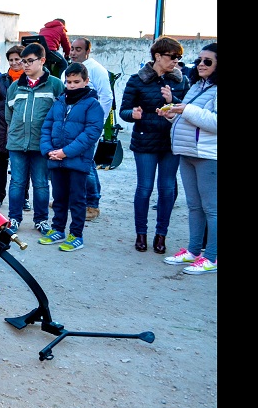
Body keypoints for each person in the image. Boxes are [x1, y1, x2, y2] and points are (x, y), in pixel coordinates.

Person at [119, 36, 189, 254]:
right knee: (144, 188)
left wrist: (172, 100)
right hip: (145, 140)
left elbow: (189, 110)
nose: (176, 61)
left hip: (171, 141)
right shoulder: (137, 80)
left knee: (167, 189)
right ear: (158, 56)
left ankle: (161, 235)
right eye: (172, 56)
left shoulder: (181, 81)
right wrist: (133, 114)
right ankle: (141, 234)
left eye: (179, 57)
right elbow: (124, 111)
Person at [159, 43, 217, 275]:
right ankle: (194, 251)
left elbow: (214, 122)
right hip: (188, 152)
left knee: (211, 208)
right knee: (194, 206)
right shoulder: (197, 86)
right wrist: (171, 114)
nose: (201, 64)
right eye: (199, 60)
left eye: (208, 61)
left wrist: (185, 110)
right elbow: (190, 118)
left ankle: (211, 256)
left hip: (208, 155)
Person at [38, 62, 105, 252]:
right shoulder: (59, 102)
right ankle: (58, 229)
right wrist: (48, 150)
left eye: (76, 82)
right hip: (56, 159)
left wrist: (65, 152)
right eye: (69, 82)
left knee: (77, 199)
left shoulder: (93, 105)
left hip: (77, 161)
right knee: (59, 197)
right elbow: (46, 127)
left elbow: (91, 134)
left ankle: (76, 235)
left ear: (86, 81)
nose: (72, 85)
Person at [4, 42, 64, 234]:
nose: (25, 65)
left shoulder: (55, 85)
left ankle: (41, 220)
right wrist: (16, 132)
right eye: (23, 61)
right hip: (17, 143)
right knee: (17, 183)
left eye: (30, 61)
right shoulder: (15, 87)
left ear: (42, 60)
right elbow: (9, 114)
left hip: (42, 144)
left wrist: (52, 140)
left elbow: (61, 114)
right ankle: (14, 218)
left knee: (40, 184)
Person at [67, 38, 114, 221]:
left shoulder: (96, 70)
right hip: (70, 127)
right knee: (70, 163)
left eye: (78, 49)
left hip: (88, 127)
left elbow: (106, 97)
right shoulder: (68, 70)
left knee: (86, 164)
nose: (73, 52)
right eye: (72, 48)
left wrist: (96, 123)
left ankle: (92, 204)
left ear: (87, 51)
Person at [0, 45, 30, 209]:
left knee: (22, 165)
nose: (14, 62)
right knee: (1, 163)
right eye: (11, 60)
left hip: (22, 128)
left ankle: (23, 197)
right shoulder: (2, 80)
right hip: (2, 128)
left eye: (17, 59)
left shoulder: (30, 80)